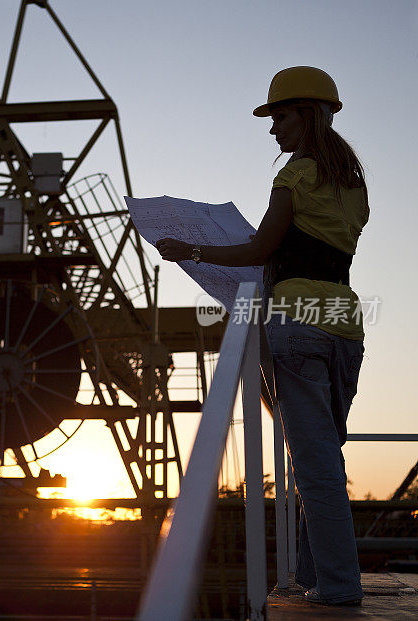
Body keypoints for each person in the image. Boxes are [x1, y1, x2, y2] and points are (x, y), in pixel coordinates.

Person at [156, 66, 368, 607]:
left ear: (308, 113)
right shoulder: (353, 182)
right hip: (343, 322)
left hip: (296, 323)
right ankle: (324, 578)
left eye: (279, 116)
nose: (273, 128)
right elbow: (320, 247)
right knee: (324, 457)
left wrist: (193, 251)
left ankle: (338, 587)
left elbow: (259, 251)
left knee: (315, 463)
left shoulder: (293, 176)